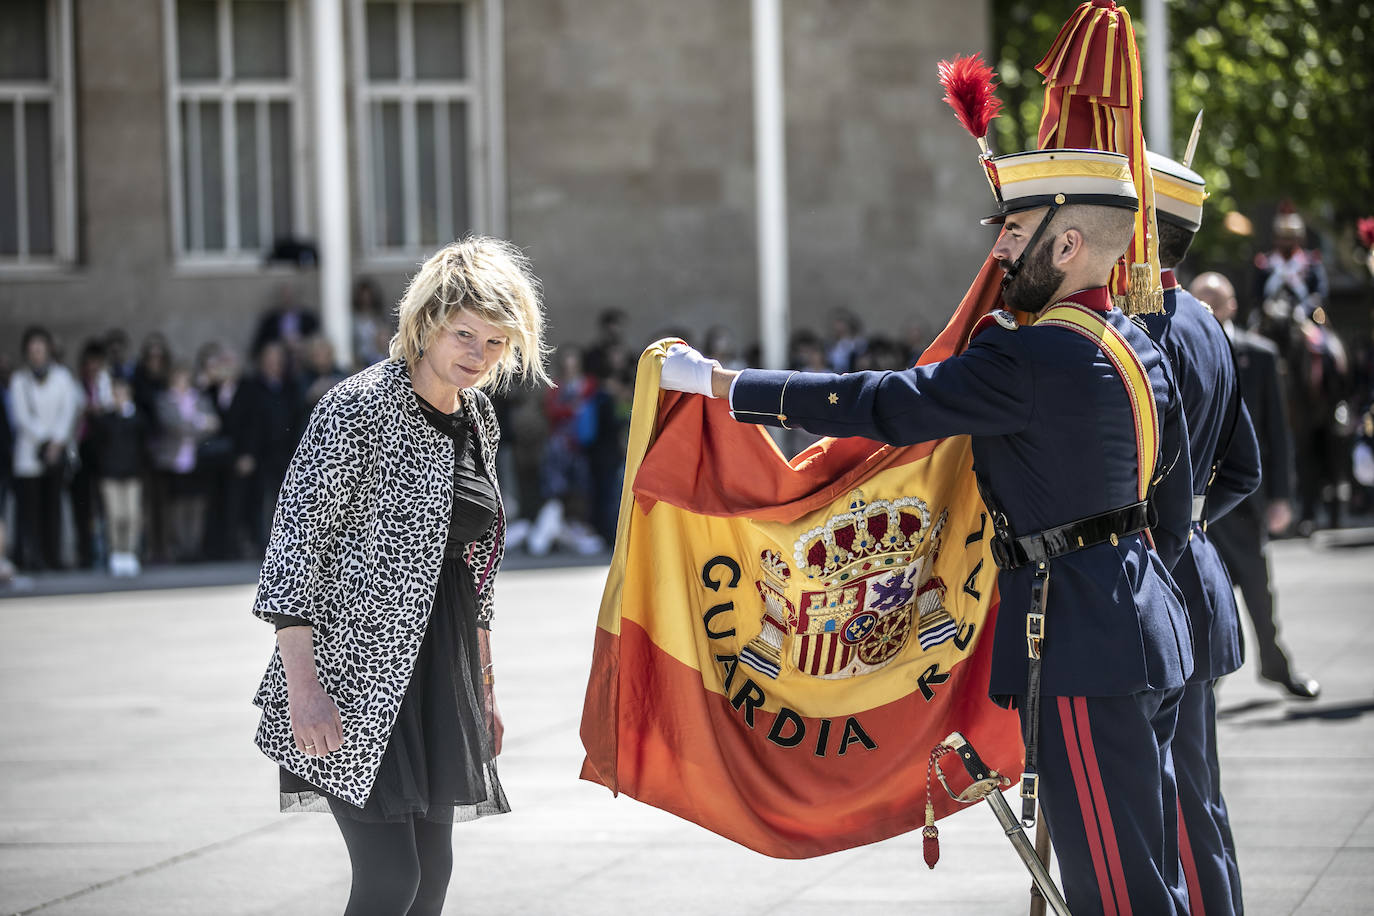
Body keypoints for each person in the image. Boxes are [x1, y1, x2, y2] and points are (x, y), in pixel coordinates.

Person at [662, 147, 1196, 914]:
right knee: (1148, 868)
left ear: (1068, 244)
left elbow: (885, 402)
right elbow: (1168, 503)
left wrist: (726, 384)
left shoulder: (1029, 353)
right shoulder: (1139, 345)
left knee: (1115, 890)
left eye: (1014, 232)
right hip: (1147, 623)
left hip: (1083, 641)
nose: (1000, 249)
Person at [250, 236, 550, 916]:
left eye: (497, 343)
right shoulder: (357, 407)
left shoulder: (478, 419)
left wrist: (485, 690)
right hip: (352, 676)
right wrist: (305, 689)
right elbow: (294, 549)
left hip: (438, 676)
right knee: (390, 882)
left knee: (431, 879)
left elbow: (480, 575)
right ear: (427, 321)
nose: (478, 354)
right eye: (466, 333)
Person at [1142, 152, 1262, 914]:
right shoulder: (1206, 323)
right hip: (1197, 573)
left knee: (1174, 806)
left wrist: (1162, 532)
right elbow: (1242, 470)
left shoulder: (1145, 327)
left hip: (1159, 585)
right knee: (1200, 801)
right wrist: (1189, 521)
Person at [1192, 271, 1322, 700]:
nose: (1208, 309)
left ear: (1232, 306)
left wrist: (1282, 496)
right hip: (1196, 504)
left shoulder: (1259, 355)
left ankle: (1275, 666)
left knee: (1258, 594)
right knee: (1203, 600)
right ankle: (1207, 679)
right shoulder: (1176, 348)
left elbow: (1277, 433)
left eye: (1216, 301)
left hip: (1244, 500)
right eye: (1200, 301)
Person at [8, 326, 84, 571]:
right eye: (32, 350)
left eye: (40, 349)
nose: (37, 354)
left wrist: (56, 441)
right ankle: (33, 557)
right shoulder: (20, 380)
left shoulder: (62, 377)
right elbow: (21, 417)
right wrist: (43, 439)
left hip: (56, 453)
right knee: (30, 510)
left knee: (54, 508)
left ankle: (54, 556)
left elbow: (68, 410)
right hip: (29, 454)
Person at [152, 364, 220, 562]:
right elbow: (172, 425)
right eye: (177, 378)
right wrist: (199, 423)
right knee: (177, 505)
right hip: (173, 461)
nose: (182, 382)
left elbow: (214, 424)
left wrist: (193, 425)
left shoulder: (200, 398)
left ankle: (194, 548)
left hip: (198, 459)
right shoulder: (164, 399)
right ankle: (180, 547)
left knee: (197, 504)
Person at [92, 377, 147, 576]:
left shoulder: (136, 417)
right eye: (116, 394)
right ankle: (116, 553)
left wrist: (127, 414)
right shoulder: (106, 418)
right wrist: (113, 413)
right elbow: (98, 442)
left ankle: (131, 552)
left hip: (132, 474)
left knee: (132, 515)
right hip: (110, 474)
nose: (119, 398)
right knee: (115, 516)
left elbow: (143, 438)